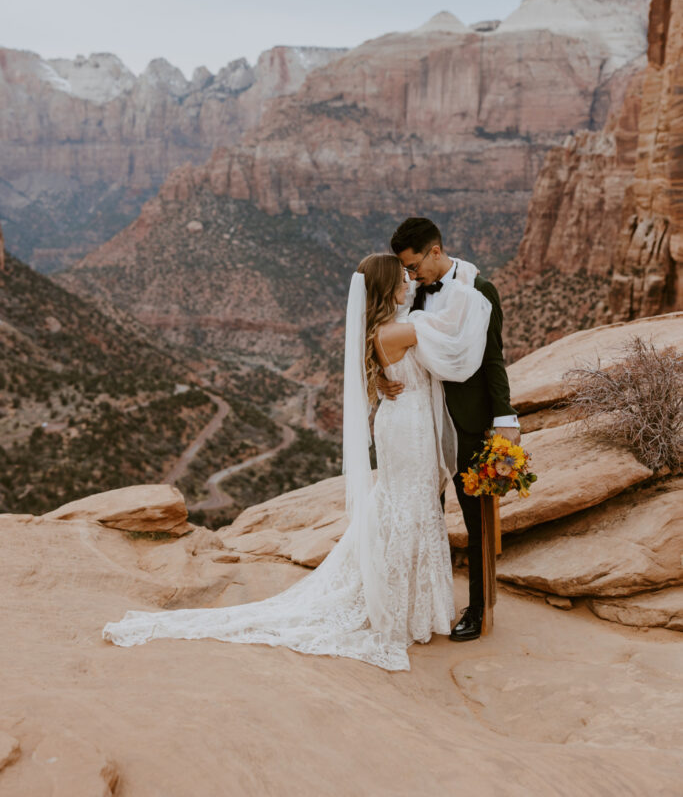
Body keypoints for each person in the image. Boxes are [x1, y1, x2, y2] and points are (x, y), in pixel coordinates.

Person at [102, 253, 491, 671]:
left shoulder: (382, 328)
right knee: (409, 508)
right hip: (408, 427)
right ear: (384, 289)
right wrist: (465, 275)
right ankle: (398, 608)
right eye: (401, 279)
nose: (410, 284)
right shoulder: (403, 330)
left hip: (402, 422)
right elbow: (456, 335)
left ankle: (406, 602)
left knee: (405, 506)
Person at [387, 218, 519, 642]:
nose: (410, 276)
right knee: (426, 512)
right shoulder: (414, 296)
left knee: (475, 517)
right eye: (405, 270)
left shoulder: (479, 290)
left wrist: (504, 420)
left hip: (466, 423)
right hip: (421, 421)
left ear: (435, 251)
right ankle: (431, 602)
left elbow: (493, 360)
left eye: (413, 266)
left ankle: (479, 608)